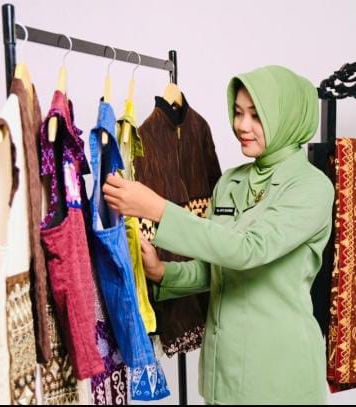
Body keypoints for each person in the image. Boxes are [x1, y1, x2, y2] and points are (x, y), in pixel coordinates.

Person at [103, 65, 333, 404]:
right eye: (238, 113)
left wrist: (159, 209)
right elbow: (219, 268)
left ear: (286, 118)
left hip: (280, 376)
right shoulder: (230, 182)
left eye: (256, 115)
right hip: (222, 373)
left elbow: (247, 250)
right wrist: (163, 272)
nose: (242, 126)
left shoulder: (311, 188)